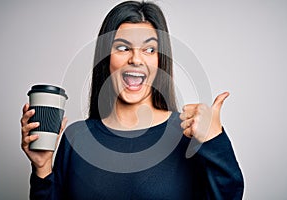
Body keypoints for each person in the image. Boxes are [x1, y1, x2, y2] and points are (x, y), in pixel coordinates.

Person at [21, 1, 244, 199]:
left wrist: (215, 141)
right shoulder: (76, 138)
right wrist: (42, 168)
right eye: (122, 47)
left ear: (159, 61)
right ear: (106, 58)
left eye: (149, 49)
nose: (136, 59)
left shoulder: (188, 135)